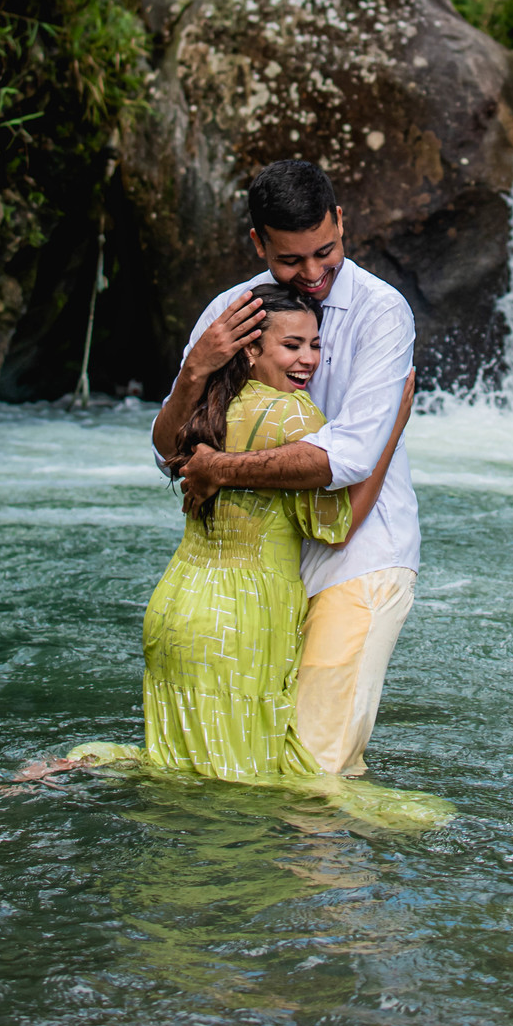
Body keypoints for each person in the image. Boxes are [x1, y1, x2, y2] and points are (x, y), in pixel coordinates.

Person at [151, 160, 419, 778]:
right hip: (256, 579)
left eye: (326, 251)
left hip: (360, 553)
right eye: (291, 261)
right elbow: (169, 454)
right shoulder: (231, 313)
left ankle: (329, 872)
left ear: (341, 223)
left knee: (316, 762)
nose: (314, 274)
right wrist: (196, 369)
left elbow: (347, 458)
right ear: (258, 244)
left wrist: (223, 468)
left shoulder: (382, 311)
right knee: (253, 761)